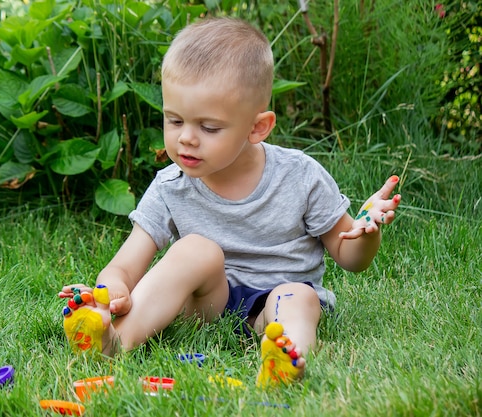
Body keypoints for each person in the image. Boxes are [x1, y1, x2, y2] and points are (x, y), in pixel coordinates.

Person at [58, 17, 401, 386]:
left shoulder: (300, 176)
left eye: (208, 128)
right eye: (174, 120)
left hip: (277, 306)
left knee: (297, 295)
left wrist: (366, 232)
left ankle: (287, 357)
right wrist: (113, 293)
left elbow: (351, 259)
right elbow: (123, 267)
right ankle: (113, 341)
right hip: (207, 306)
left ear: (257, 127)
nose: (186, 139)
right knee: (194, 250)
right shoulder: (171, 186)